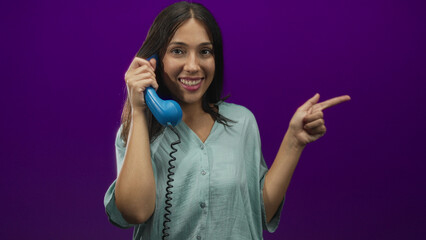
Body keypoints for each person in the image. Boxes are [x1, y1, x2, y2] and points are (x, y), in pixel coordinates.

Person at [104, 1, 351, 239]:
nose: (193, 65)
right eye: (178, 51)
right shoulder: (137, 131)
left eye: (205, 52)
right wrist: (139, 109)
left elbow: (258, 211)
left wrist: (294, 141)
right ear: (155, 61)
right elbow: (135, 211)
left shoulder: (241, 122)